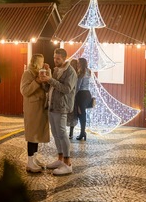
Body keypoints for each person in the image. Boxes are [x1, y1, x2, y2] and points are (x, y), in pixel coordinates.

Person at [40, 48, 77, 176]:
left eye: (58, 59)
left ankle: (68, 163)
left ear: (64, 58)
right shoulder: (55, 70)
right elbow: (50, 87)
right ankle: (60, 159)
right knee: (55, 134)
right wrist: (45, 77)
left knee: (62, 133)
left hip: (61, 106)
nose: (55, 60)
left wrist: (49, 79)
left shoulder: (70, 72)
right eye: (54, 58)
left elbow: (66, 89)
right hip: (51, 105)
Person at [20, 53, 50, 173]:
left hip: (41, 107)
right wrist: (37, 81)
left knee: (37, 133)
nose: (42, 64)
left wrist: (48, 74)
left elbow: (47, 88)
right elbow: (24, 91)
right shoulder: (27, 73)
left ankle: (34, 158)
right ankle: (30, 161)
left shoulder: (41, 72)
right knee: (32, 134)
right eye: (41, 62)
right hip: (32, 108)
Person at [73, 58, 92, 140]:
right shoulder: (88, 71)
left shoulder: (81, 72)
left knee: (81, 114)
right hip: (87, 93)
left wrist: (73, 94)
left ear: (81, 63)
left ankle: (82, 133)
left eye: (78, 63)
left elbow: (78, 86)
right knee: (83, 113)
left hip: (81, 94)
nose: (77, 64)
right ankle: (83, 132)